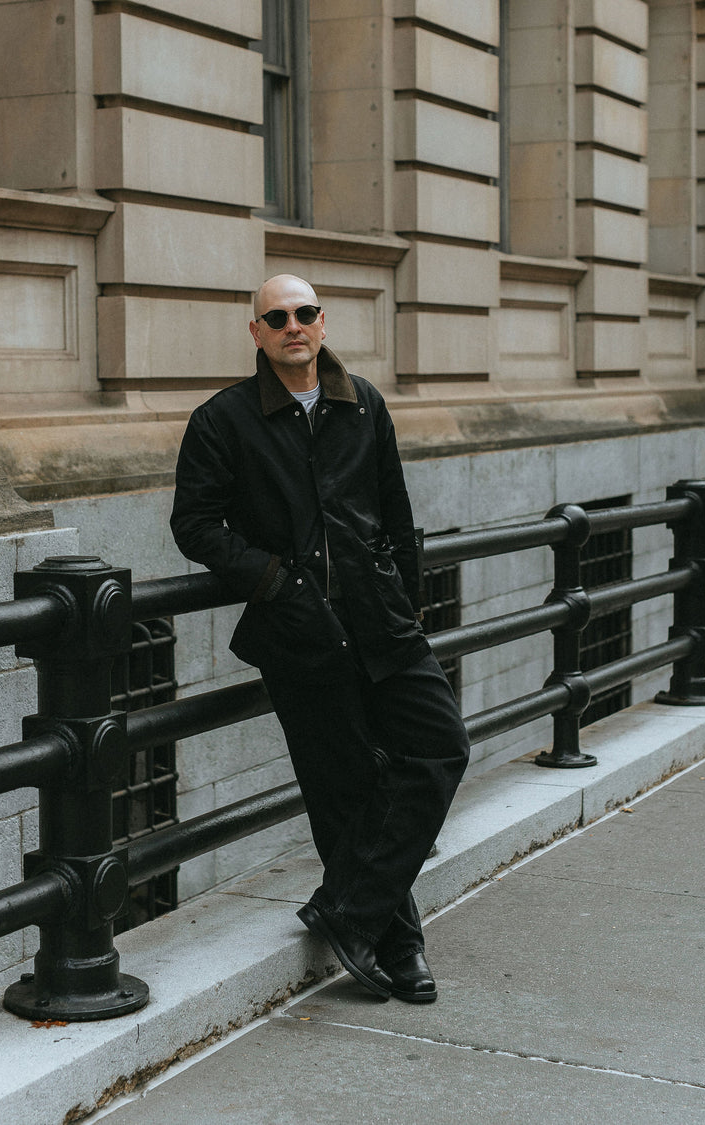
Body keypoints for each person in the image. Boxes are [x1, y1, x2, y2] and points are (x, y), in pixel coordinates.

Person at [170, 274, 470, 1002]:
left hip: (382, 622)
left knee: (441, 745)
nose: (293, 326)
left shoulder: (363, 402)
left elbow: (395, 512)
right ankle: (399, 942)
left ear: (323, 322)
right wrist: (276, 582)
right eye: (276, 318)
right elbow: (195, 525)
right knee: (343, 786)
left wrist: (406, 600)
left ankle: (346, 908)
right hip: (299, 630)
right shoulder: (223, 419)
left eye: (304, 313)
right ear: (257, 333)